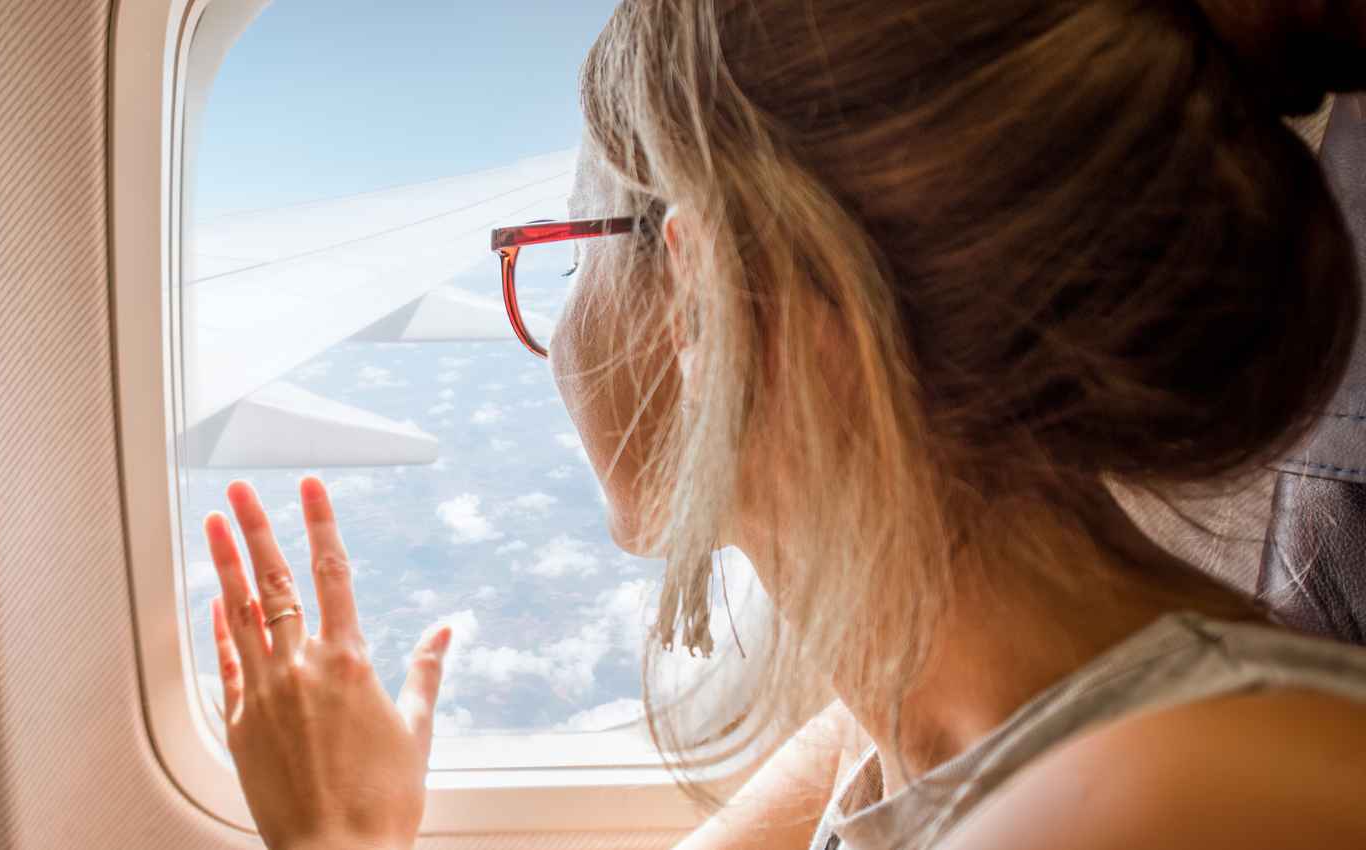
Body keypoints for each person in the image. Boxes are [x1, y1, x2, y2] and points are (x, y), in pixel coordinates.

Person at [196, 2, 1366, 849]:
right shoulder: (926, 727)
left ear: (709, 295)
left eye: (562, 254)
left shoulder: (1167, 804)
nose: (553, 339)